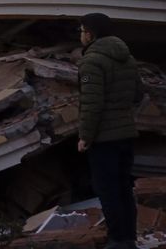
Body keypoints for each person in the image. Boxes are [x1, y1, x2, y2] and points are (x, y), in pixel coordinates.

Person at [78, 13, 141, 249]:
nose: (80, 35)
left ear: (91, 34)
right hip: (126, 133)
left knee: (108, 190)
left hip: (104, 137)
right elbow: (137, 95)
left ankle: (117, 240)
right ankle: (129, 238)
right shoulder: (128, 58)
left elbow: (91, 105)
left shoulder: (92, 61)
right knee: (125, 187)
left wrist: (85, 136)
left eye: (82, 30)